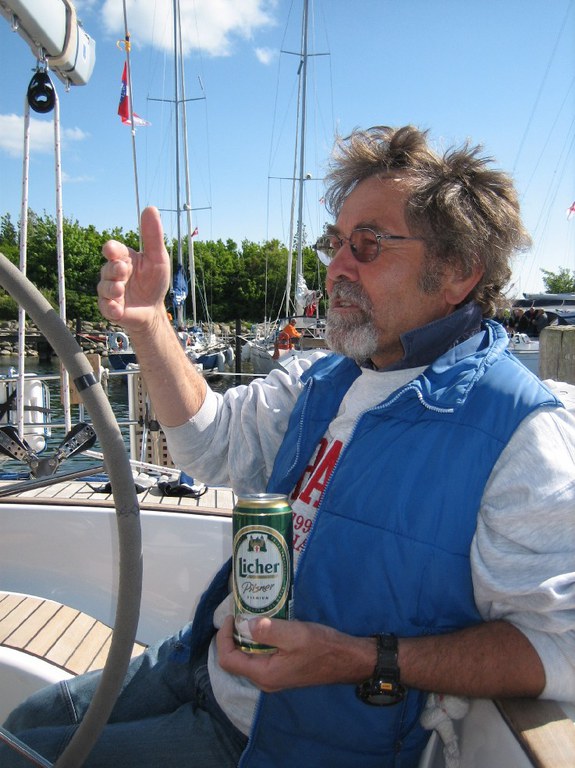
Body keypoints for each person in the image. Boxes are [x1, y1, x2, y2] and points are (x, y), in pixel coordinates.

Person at [2, 125, 575, 768]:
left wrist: (364, 659)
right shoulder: (324, 378)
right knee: (24, 722)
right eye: (336, 242)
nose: (337, 265)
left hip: (282, 741)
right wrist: (151, 323)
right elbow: (209, 443)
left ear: (458, 272)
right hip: (201, 661)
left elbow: (561, 647)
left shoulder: (520, 434)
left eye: (368, 244)